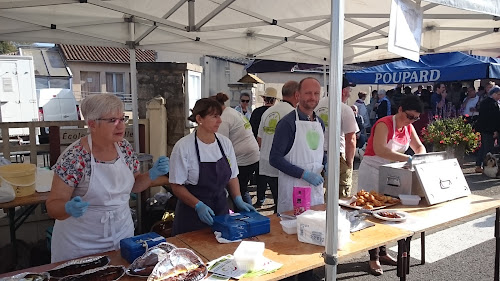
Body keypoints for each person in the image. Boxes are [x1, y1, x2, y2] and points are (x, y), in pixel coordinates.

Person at [47, 94, 170, 263]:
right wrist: (67, 208)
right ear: (92, 124)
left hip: (121, 235)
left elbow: (134, 185)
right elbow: (53, 206)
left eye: (122, 118)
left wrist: (152, 174)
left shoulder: (124, 148)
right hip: (80, 244)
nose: (121, 126)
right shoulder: (74, 157)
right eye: (112, 120)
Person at [357, 95, 426, 276]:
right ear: (400, 109)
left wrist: (420, 157)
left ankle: (383, 252)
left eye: (415, 118)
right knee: (370, 214)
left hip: (391, 173)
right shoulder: (384, 123)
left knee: (388, 213)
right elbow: (380, 149)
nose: (411, 120)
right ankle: (373, 257)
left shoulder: (408, 128)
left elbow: (419, 147)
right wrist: (407, 158)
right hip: (372, 171)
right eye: (409, 116)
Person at [169, 98, 256, 235]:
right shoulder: (183, 147)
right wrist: (198, 206)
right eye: (214, 116)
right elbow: (176, 185)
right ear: (199, 119)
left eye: (219, 116)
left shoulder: (225, 143)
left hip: (221, 209)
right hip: (191, 214)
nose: (219, 121)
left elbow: (232, 176)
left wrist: (238, 199)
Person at [269, 77, 325, 213]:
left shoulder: (320, 123)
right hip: (293, 188)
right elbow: (275, 159)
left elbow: (316, 151)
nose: (313, 97)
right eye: (308, 93)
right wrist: (303, 174)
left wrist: (325, 163)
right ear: (297, 95)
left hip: (315, 189)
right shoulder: (287, 124)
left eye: (316, 93)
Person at [255, 81, 299, 211]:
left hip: (266, 163)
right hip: (283, 166)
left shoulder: (268, 112)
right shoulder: (293, 114)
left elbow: (260, 139)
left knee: (278, 201)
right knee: (285, 206)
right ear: (297, 95)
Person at [212, 93, 260, 207]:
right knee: (242, 189)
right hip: (252, 155)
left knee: (238, 190)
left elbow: (220, 144)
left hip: (243, 159)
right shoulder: (231, 111)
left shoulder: (224, 118)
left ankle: (245, 215)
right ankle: (246, 213)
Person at [474, 86, 500, 173]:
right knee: (488, 149)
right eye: (498, 94)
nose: (499, 96)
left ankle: (478, 165)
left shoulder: (484, 102)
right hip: (489, 130)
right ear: (494, 94)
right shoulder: (493, 104)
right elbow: (494, 119)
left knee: (483, 147)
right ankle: (486, 167)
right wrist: (495, 130)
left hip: (483, 129)